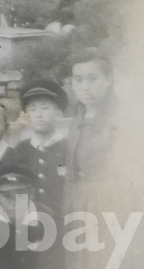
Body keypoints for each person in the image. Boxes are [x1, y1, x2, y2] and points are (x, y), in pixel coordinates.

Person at [65, 49, 116, 213]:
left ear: (108, 79)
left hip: (110, 204)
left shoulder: (120, 119)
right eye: (78, 80)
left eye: (92, 79)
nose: (85, 87)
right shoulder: (77, 119)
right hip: (79, 204)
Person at [11, 80, 67, 216]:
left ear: (58, 114)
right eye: (33, 109)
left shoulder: (69, 147)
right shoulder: (21, 149)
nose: (39, 114)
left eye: (45, 108)